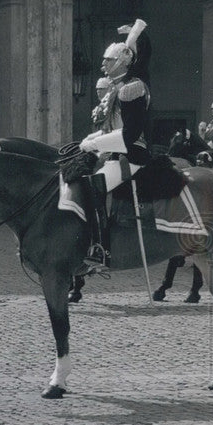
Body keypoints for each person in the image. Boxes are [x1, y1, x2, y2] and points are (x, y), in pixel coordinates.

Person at [77, 18, 150, 269]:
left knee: (94, 187)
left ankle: (101, 248)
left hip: (131, 154)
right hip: (114, 152)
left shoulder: (133, 88)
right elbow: (111, 129)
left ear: (121, 61)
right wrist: (91, 139)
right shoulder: (115, 89)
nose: (103, 64)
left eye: (108, 60)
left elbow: (129, 134)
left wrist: (96, 144)